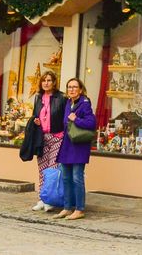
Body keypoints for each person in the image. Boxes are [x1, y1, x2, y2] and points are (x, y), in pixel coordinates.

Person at [55, 78, 96, 220]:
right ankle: (67, 207)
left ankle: (79, 209)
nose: (71, 89)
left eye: (74, 87)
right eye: (69, 87)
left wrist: (75, 119)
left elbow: (91, 123)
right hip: (67, 144)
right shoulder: (68, 102)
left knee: (77, 177)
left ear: (80, 89)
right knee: (66, 177)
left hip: (79, 145)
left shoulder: (85, 103)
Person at [29, 71, 65, 212]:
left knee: (53, 169)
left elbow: (64, 118)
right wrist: (35, 120)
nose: (46, 83)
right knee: (42, 170)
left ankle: (50, 199)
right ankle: (42, 199)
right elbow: (34, 116)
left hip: (57, 137)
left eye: (49, 80)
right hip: (41, 138)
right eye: (44, 80)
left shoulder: (61, 98)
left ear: (54, 82)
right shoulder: (38, 98)